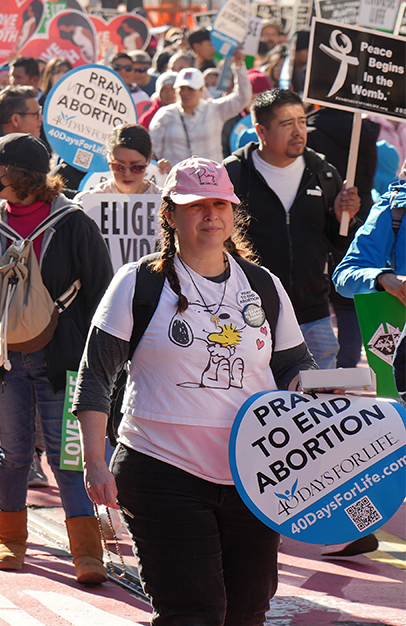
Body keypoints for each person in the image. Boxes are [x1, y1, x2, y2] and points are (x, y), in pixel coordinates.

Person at [77, 159, 313, 625]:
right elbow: (95, 376)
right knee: (193, 612)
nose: (210, 215)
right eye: (195, 205)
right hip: (162, 470)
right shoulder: (137, 282)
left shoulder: (264, 285)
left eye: (220, 204)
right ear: (169, 214)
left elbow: (292, 366)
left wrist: (319, 390)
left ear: (233, 211)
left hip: (256, 475)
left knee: (247, 611)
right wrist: (94, 461)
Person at [0, 133, 112, 584]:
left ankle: (87, 552)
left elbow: (102, 296)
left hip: (63, 362)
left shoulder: (74, 225)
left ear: (19, 176)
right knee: (14, 453)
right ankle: (10, 540)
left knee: (67, 455)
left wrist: (107, 366)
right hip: (4, 363)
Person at [223, 89, 358, 367]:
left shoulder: (324, 173)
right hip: (249, 312)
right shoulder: (233, 174)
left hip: (313, 313)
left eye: (301, 120)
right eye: (286, 124)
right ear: (260, 130)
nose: (298, 131)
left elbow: (339, 243)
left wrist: (345, 218)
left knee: (320, 402)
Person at [152, 54, 249, 165]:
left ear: (202, 91)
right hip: (176, 180)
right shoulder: (165, 115)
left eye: (191, 89)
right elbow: (154, 152)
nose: (185, 93)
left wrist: (239, 67)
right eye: (181, 88)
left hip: (212, 179)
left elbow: (243, 98)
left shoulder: (215, 109)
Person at [80, 124, 165, 194]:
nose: (127, 174)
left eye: (136, 168)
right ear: (108, 159)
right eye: (118, 166)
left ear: (148, 160)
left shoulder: (167, 204)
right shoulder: (86, 202)